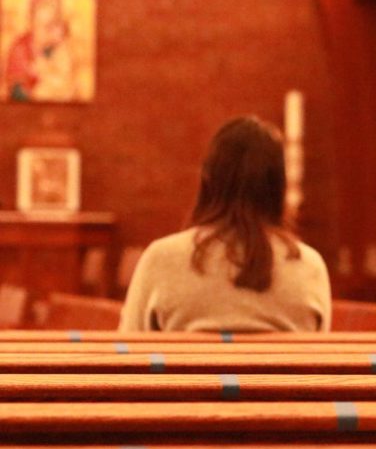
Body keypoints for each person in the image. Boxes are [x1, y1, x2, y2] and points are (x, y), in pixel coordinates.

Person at [119, 116, 331, 332]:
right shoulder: (309, 266)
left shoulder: (161, 259)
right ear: (279, 187)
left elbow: (127, 349)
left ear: (208, 180)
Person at [4, 0, 76, 101]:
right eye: (43, 7)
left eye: (50, 24)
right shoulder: (20, 46)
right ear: (33, 16)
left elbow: (67, 79)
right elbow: (15, 84)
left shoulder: (60, 46)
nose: (48, 13)